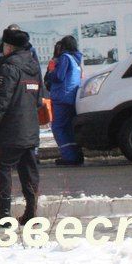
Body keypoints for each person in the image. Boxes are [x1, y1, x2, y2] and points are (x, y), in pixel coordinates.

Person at [0, 26, 42, 227]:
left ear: (8, 46)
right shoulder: (34, 66)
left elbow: (1, 100)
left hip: (11, 131)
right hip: (30, 129)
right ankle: (31, 212)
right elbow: (38, 100)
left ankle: (3, 214)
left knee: (1, 168)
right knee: (29, 170)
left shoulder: (9, 67)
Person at [48, 35, 84, 166]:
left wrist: (52, 70)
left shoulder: (64, 58)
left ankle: (68, 156)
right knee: (69, 128)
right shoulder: (76, 59)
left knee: (58, 127)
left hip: (62, 97)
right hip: (72, 97)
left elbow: (58, 76)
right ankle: (76, 154)